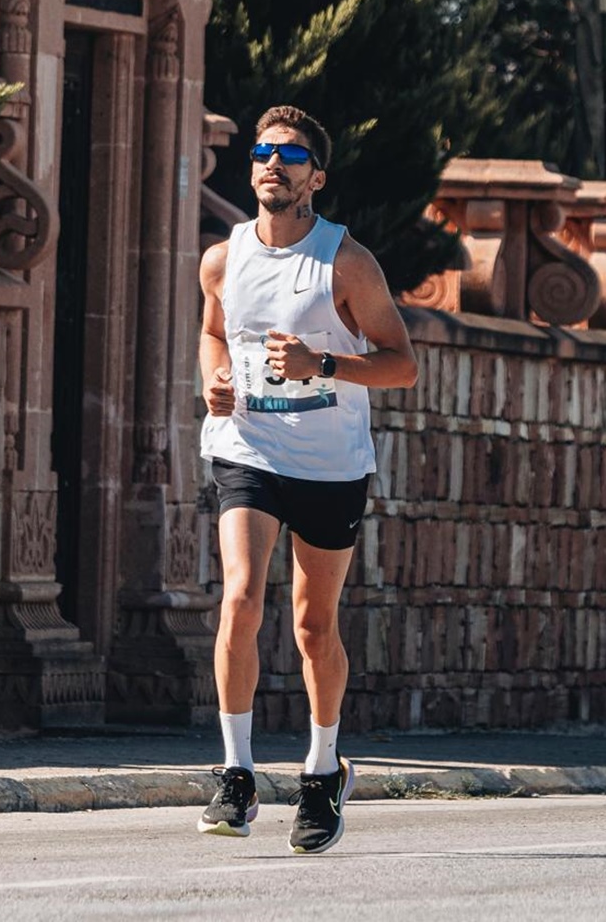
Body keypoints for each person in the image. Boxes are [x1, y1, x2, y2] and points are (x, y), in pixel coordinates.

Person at [195, 104, 417, 853]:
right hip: (247, 446)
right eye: (263, 151)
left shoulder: (344, 261)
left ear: (315, 178)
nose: (273, 164)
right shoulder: (224, 259)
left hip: (328, 463)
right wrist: (216, 381)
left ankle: (323, 771)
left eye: (291, 156)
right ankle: (236, 772)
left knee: (312, 625)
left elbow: (402, 364)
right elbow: (212, 332)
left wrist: (324, 364)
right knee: (239, 597)